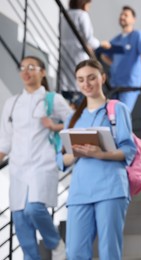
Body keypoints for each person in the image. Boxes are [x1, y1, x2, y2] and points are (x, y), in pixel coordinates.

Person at [62, 59, 136, 259]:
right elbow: (61, 159)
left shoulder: (116, 109)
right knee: (75, 252)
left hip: (111, 188)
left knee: (109, 252)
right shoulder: (73, 118)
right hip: (79, 191)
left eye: (91, 78)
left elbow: (129, 149)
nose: (86, 84)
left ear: (102, 78)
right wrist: (76, 152)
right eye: (81, 80)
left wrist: (99, 153)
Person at [0, 56, 71, 259]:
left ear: (42, 72)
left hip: (43, 163)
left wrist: (55, 126)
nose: (26, 71)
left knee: (34, 209)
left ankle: (55, 243)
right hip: (18, 167)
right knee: (20, 218)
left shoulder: (52, 99)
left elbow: (75, 123)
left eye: (31, 67)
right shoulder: (12, 103)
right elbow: (5, 140)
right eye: (22, 68)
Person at [100, 5, 141, 113]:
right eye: (121, 15)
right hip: (114, 85)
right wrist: (114, 64)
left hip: (130, 85)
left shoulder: (138, 35)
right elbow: (104, 55)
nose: (122, 17)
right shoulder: (115, 40)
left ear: (133, 19)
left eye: (126, 15)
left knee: (122, 115)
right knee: (111, 116)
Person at [60, 0, 110, 108]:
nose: (89, 7)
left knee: (68, 100)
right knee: (81, 97)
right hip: (78, 56)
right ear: (83, 3)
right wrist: (102, 44)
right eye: (89, 4)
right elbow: (89, 39)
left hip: (65, 57)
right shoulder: (82, 15)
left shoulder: (63, 15)